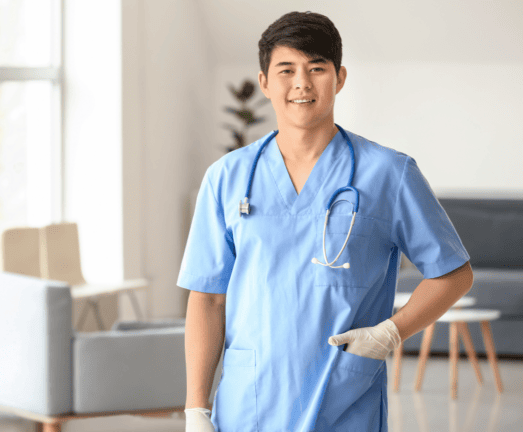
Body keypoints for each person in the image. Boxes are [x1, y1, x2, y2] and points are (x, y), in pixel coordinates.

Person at [179, 11, 474, 432]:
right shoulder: (226, 178)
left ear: (339, 78)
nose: (302, 83)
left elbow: (454, 274)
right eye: (286, 70)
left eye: (317, 68)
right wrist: (195, 409)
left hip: (344, 402)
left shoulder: (389, 174)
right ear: (264, 82)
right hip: (249, 404)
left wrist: (392, 332)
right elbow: (207, 299)